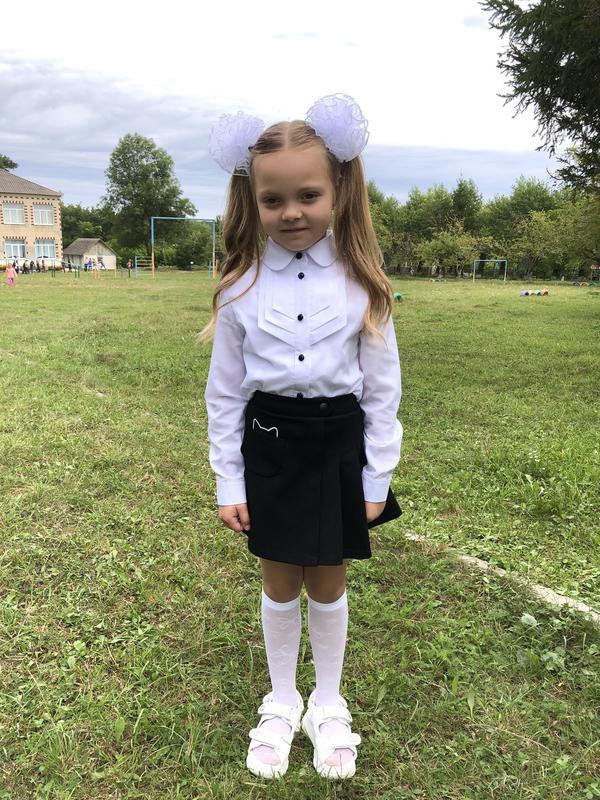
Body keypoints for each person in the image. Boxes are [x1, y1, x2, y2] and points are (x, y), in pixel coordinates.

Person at [203, 94, 403, 781]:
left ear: (339, 190)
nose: (292, 212)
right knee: (280, 576)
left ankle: (328, 703)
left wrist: (376, 477)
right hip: (271, 446)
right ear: (252, 201)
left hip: (337, 448)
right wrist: (229, 479)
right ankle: (282, 700)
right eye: (274, 199)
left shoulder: (364, 286)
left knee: (328, 578)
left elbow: (382, 392)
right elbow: (225, 395)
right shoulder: (239, 288)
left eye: (308, 195)